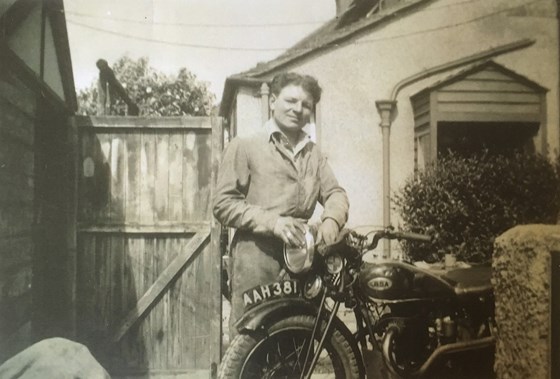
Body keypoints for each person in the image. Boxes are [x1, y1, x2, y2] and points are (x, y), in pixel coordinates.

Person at [213, 72, 349, 336]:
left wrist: (332, 219)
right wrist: (272, 222)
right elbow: (223, 203)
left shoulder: (313, 153)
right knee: (250, 344)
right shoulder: (246, 145)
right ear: (273, 101)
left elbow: (336, 193)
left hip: (303, 262)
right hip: (257, 260)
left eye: (306, 104)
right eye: (291, 100)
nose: (298, 109)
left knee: (298, 341)